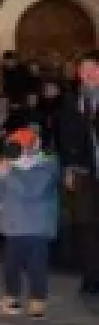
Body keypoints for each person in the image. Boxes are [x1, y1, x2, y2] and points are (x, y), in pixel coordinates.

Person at [0, 127, 59, 318]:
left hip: (36, 227)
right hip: (13, 226)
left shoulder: (47, 164)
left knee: (37, 265)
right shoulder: (11, 165)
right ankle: (11, 296)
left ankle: (38, 300)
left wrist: (11, 173)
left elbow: (33, 191)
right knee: (10, 264)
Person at [54, 49, 99, 296]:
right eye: (84, 70)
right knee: (84, 226)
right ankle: (91, 276)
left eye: (93, 68)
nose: (88, 74)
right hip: (83, 171)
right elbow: (65, 136)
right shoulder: (73, 101)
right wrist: (68, 168)